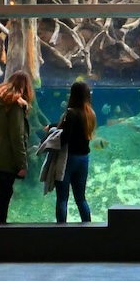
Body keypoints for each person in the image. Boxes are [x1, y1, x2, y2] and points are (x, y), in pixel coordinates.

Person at [0, 70, 33, 224]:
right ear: (26, 87)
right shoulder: (15, 105)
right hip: (7, 156)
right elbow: (17, 136)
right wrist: (22, 163)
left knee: (3, 192)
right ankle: (0, 229)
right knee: (5, 193)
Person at [54, 80, 95, 223]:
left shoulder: (71, 113)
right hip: (84, 159)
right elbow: (76, 129)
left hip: (68, 158)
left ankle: (61, 231)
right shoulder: (89, 114)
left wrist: (52, 139)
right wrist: (54, 126)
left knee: (62, 198)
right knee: (81, 198)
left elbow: (65, 137)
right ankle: (88, 227)